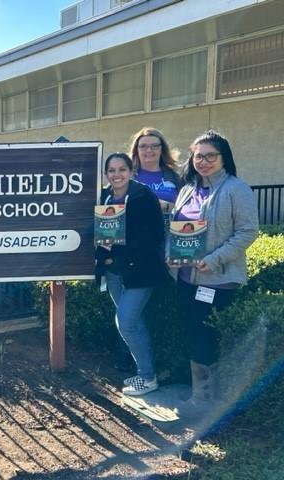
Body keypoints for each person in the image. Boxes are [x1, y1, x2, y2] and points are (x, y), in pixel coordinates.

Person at [172, 130, 258, 416]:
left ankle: (204, 402)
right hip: (186, 277)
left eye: (211, 156)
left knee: (204, 335)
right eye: (199, 156)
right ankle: (200, 393)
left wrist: (215, 259)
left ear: (224, 158)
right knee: (193, 331)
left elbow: (247, 231)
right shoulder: (187, 189)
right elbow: (176, 230)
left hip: (217, 279)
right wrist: (170, 257)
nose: (204, 161)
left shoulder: (236, 189)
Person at [95, 153, 165, 396]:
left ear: (131, 171)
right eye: (111, 170)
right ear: (106, 174)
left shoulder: (143, 196)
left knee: (125, 320)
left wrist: (118, 254)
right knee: (133, 322)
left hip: (140, 271)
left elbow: (152, 237)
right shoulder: (104, 197)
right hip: (114, 273)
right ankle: (145, 373)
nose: (117, 175)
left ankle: (148, 377)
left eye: (121, 169)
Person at [129, 127, 182, 208]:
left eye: (154, 146)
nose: (149, 150)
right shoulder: (127, 177)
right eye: (143, 146)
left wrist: (166, 206)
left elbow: (185, 209)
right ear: (136, 150)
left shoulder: (176, 177)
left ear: (162, 149)